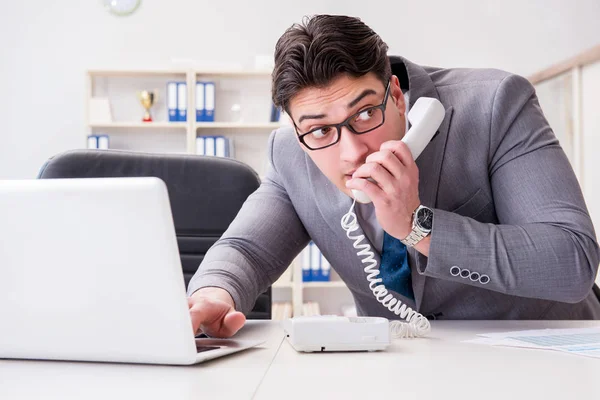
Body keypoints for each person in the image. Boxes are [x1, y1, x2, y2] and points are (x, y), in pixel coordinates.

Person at [186, 14, 600, 338]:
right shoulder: (291, 153)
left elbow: (572, 260)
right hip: (406, 369)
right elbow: (247, 250)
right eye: (319, 130)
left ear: (398, 96)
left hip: (547, 353)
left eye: (366, 113)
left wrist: (419, 227)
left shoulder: (496, 105)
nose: (352, 152)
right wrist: (213, 294)